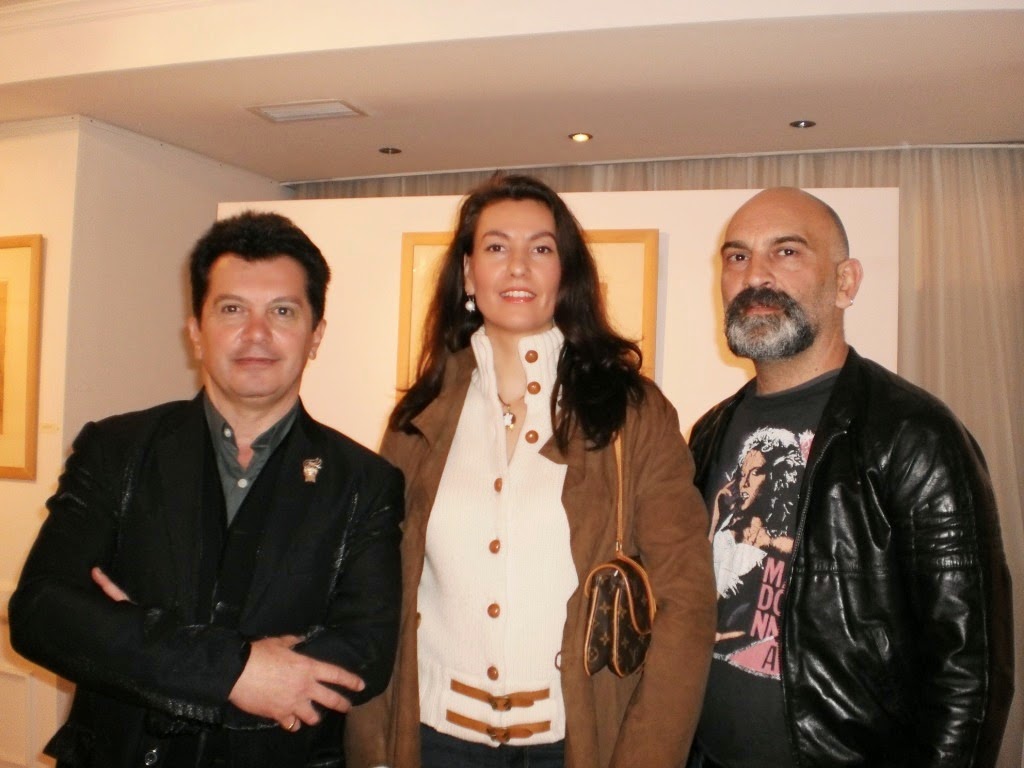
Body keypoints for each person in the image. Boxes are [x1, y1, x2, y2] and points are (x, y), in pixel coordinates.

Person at [345, 173, 716, 768]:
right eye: (496, 247)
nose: (518, 266)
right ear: (468, 274)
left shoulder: (634, 411)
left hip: (576, 744)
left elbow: (687, 601)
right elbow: (377, 596)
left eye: (541, 248)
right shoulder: (419, 418)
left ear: (565, 273)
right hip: (434, 742)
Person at [9, 211, 404, 768]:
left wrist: (137, 641)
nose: (256, 334)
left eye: (283, 311)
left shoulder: (365, 482)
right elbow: (42, 612)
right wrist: (235, 672)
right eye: (232, 309)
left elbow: (365, 651)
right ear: (196, 330)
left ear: (316, 334)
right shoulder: (116, 450)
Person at [687, 187, 1014, 767]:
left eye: (786, 252)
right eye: (737, 256)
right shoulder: (710, 432)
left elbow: (972, 667)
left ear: (845, 282)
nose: (754, 275)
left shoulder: (914, 434)